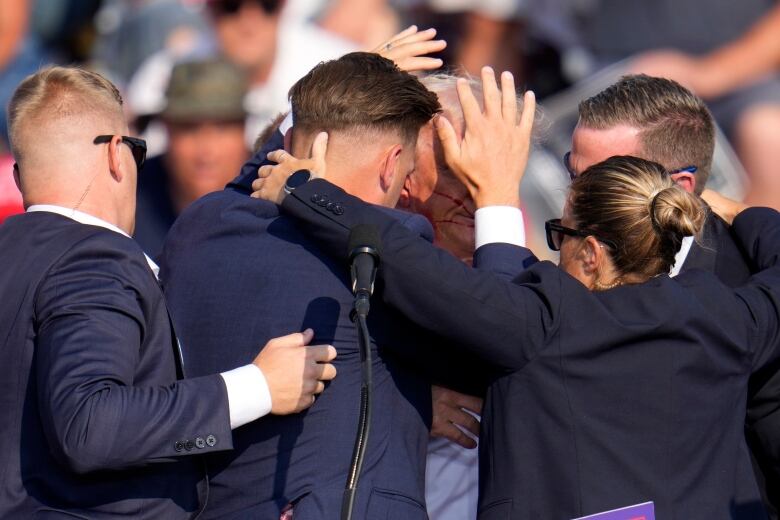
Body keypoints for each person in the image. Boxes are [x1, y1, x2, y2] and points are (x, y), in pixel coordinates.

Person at [254, 66, 780, 518]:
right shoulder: (730, 319)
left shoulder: (544, 322)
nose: (548, 255)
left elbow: (410, 263)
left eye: (560, 234)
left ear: (592, 255)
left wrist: (301, 187)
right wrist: (749, 215)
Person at [0, 66, 337, 519]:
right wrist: (258, 386)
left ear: (21, 176)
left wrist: (302, 120)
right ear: (117, 155)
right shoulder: (95, 258)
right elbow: (89, 427)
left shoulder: (13, 253)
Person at [158, 52, 456, 519]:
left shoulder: (199, 223)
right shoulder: (385, 242)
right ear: (391, 163)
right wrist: (498, 195)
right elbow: (504, 340)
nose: (408, 193)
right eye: (408, 174)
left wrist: (334, 96)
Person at [566, 74, 780, 516]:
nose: (576, 200)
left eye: (602, 181)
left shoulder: (749, 285)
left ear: (680, 186)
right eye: (575, 175)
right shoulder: (569, 266)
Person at [134, 58, 250, 257]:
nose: (207, 153)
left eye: (222, 128)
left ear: (244, 131)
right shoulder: (131, 198)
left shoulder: (277, 201)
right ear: (167, 130)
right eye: (189, 129)